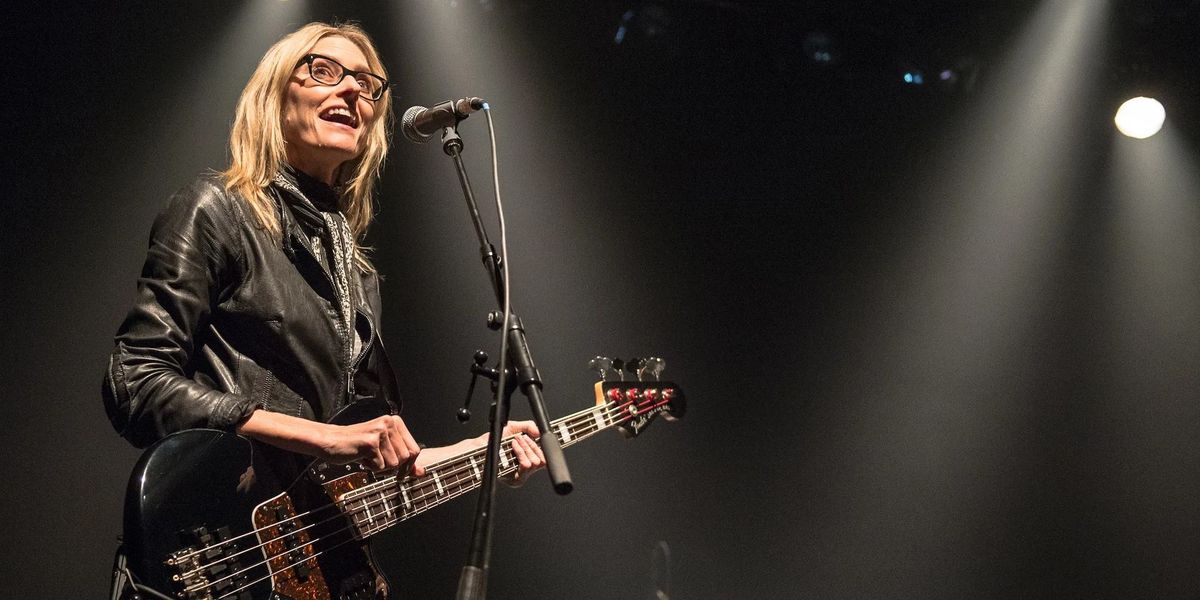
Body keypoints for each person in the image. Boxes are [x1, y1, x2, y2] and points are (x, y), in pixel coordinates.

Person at [102, 21, 543, 595]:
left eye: (365, 83)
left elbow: (352, 463)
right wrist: (321, 437)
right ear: (275, 94)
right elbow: (134, 381)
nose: (352, 92)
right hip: (221, 548)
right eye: (324, 71)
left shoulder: (358, 274)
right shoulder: (218, 212)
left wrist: (477, 455)